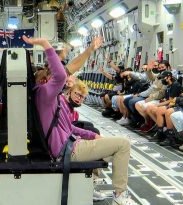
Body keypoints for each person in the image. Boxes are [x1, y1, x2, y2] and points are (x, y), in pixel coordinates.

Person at [25, 35, 133, 205]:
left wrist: (90, 49)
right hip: (68, 150)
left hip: (68, 145)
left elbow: (69, 69)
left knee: (104, 141)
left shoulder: (51, 99)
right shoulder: (43, 94)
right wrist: (45, 44)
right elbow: (61, 75)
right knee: (123, 145)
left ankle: (88, 186)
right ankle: (119, 195)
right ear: (45, 80)